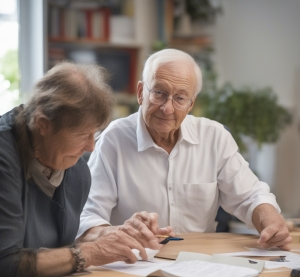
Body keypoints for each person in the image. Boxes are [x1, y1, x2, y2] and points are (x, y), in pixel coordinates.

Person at [78, 48, 292, 251]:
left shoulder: (214, 137)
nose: (167, 108)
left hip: (200, 265)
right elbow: (88, 218)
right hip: (136, 265)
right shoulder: (113, 140)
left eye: (180, 98)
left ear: (191, 104)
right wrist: (121, 235)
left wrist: (270, 221)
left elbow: (250, 197)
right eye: (159, 93)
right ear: (141, 92)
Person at [0, 62, 172, 277]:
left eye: (95, 133)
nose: (91, 147)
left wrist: (117, 235)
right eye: (83, 134)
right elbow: (6, 272)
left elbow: (60, 247)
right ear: (43, 125)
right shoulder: (4, 159)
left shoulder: (75, 169)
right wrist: (89, 253)